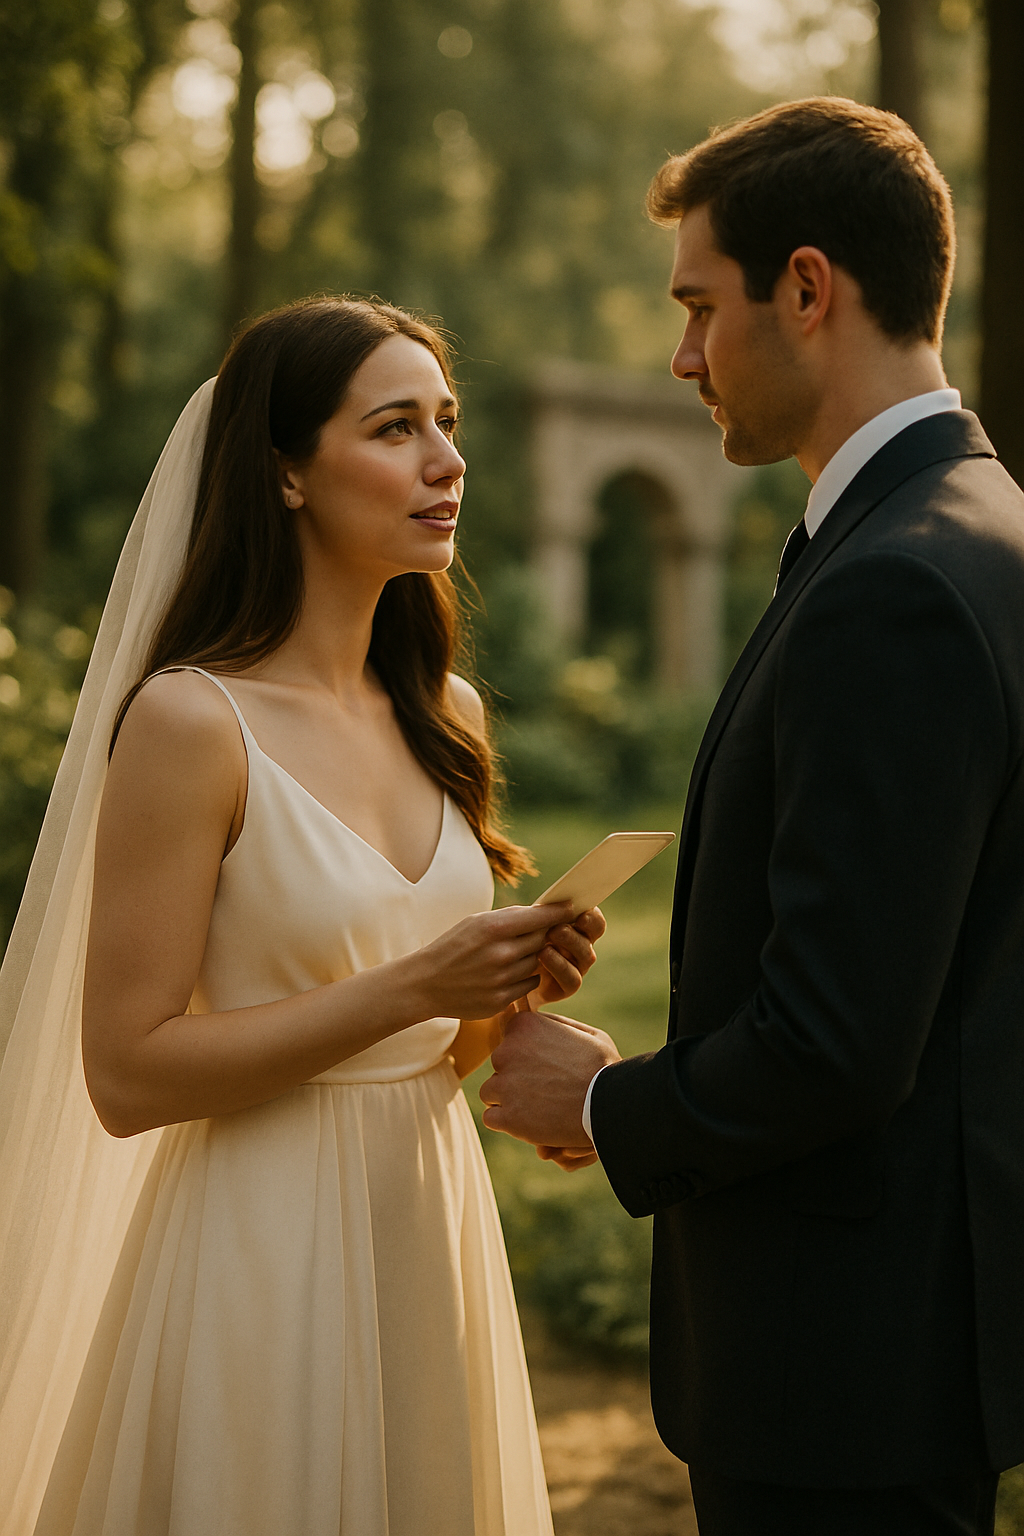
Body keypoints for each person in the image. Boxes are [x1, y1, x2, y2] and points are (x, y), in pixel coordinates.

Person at [480, 97, 1024, 1535]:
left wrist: (602, 1101)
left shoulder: (894, 586)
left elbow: (839, 1042)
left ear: (806, 287)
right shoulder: (979, 527)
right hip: (909, 1346)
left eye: (698, 307)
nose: (681, 358)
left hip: (841, 1378)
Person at [0, 296, 606, 1535]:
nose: (447, 461)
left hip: (425, 1230)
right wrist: (419, 984)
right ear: (284, 470)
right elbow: (125, 1071)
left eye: (447, 423)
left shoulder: (448, 712)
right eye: (394, 428)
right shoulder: (189, 722)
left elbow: (426, 1044)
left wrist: (510, 1007)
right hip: (255, 1244)